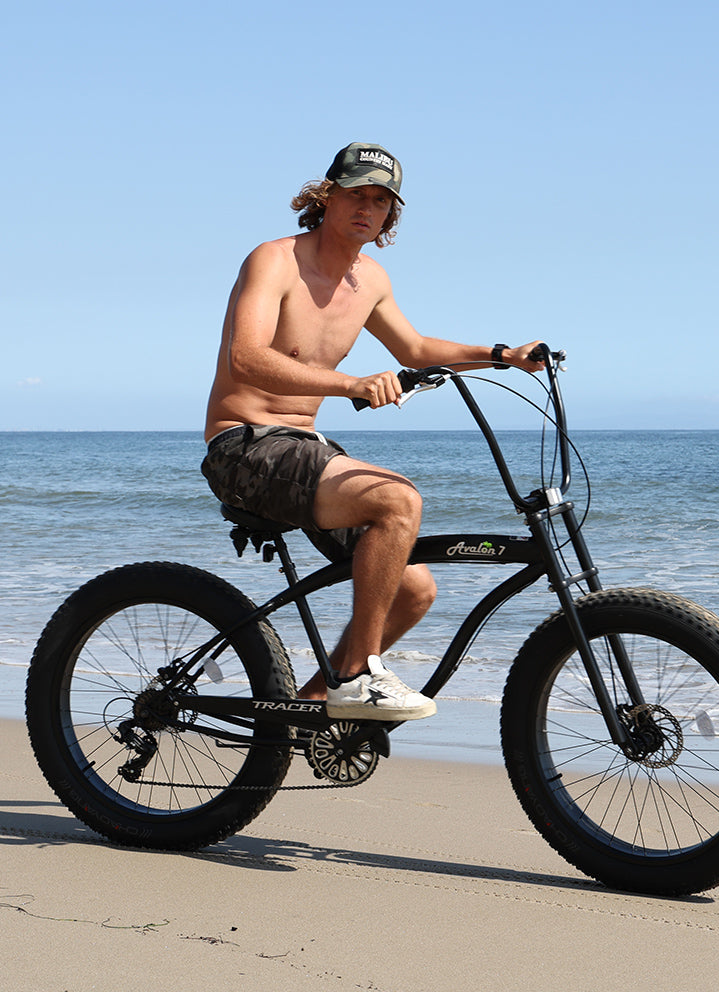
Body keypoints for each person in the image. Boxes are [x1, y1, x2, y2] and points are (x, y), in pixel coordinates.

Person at [201, 142, 543, 722]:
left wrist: (502, 355)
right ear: (326, 196)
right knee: (398, 500)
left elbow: (415, 349)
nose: (367, 208)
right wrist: (352, 384)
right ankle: (360, 676)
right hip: (244, 445)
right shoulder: (275, 260)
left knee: (413, 590)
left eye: (381, 201)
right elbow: (247, 358)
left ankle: (312, 707)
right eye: (356, 194)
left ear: (390, 215)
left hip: (305, 450)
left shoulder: (372, 280)